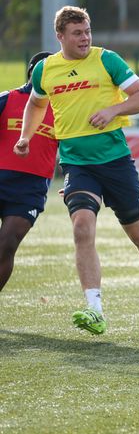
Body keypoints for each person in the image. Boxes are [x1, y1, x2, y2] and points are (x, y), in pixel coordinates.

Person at [14, 6, 139, 335]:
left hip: (116, 162)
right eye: (77, 33)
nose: (85, 38)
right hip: (77, 165)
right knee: (81, 228)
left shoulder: (107, 60)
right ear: (60, 36)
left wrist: (113, 110)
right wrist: (26, 137)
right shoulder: (45, 70)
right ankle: (94, 309)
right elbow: (36, 104)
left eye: (87, 31)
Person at [0, 52, 57, 292]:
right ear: (32, 72)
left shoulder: (63, 110)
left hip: (30, 189)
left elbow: (74, 149)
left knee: (7, 244)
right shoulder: (6, 99)